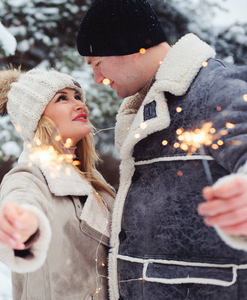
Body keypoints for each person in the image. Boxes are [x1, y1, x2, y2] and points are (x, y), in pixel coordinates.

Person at [76, 0, 247, 299]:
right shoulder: (155, 102)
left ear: (125, 46)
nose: (97, 79)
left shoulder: (213, 89)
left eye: (97, 63)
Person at [0, 68, 115, 299]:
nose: (78, 104)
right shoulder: (30, 175)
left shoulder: (94, 183)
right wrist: (19, 223)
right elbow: (21, 199)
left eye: (77, 96)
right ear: (36, 117)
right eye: (62, 98)